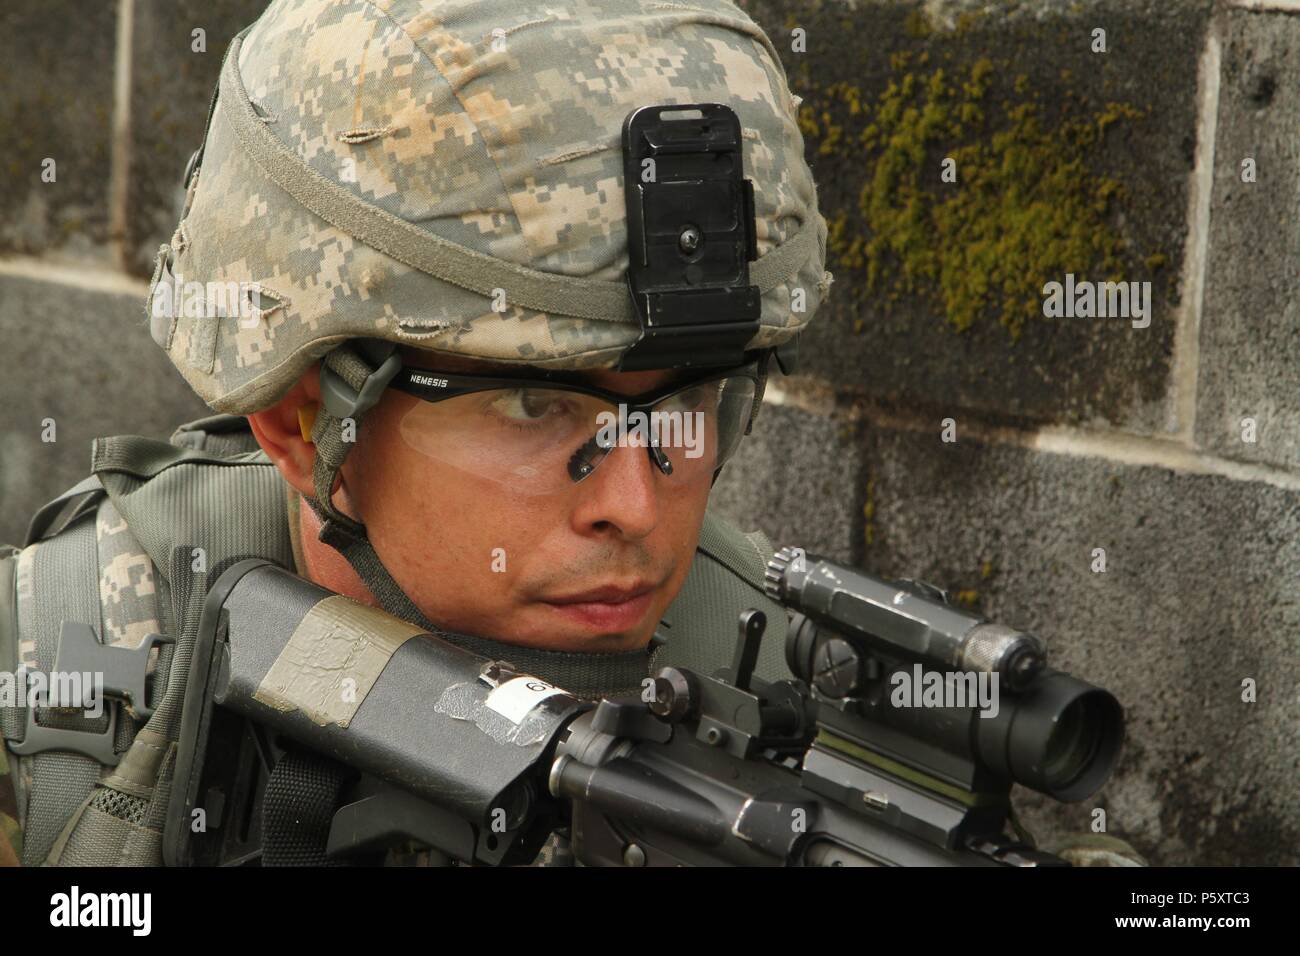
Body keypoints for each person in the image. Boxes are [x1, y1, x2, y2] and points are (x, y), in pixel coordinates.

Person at [0, 0, 1142, 867]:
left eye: (686, 403)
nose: (635, 507)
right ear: (304, 423)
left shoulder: (775, 685)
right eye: (539, 404)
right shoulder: (54, 690)